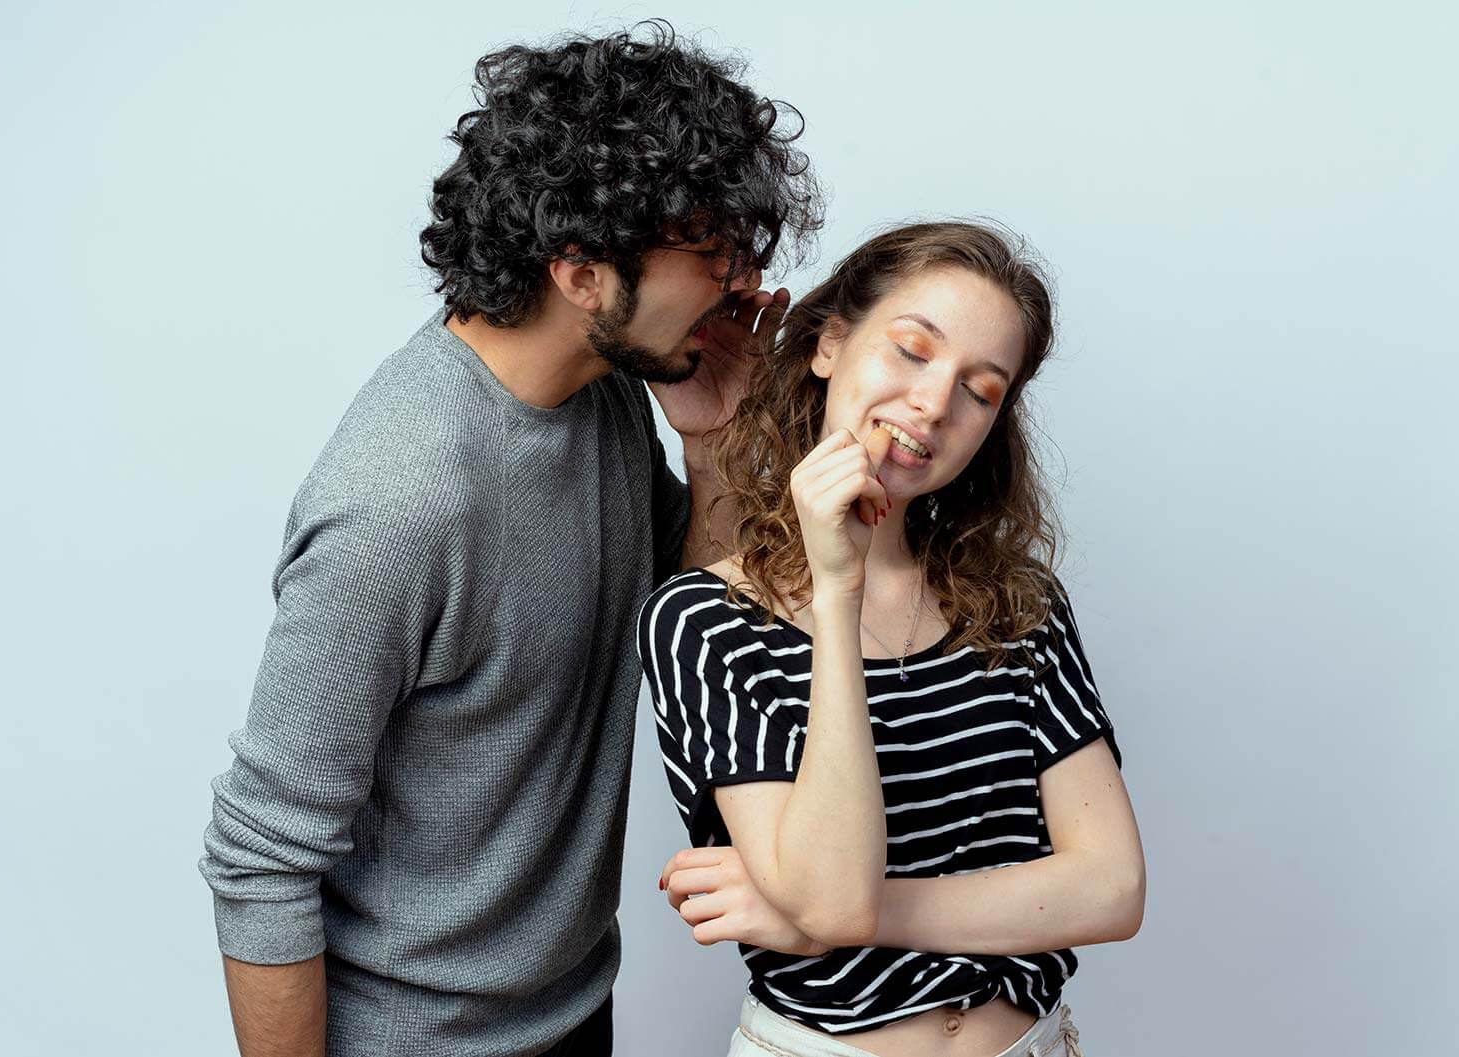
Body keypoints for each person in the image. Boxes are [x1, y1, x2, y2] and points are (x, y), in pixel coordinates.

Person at [198, 22, 820, 1057]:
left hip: (570, 1010)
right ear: (582, 271)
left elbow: (690, 613)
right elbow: (261, 860)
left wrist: (712, 448)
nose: (739, 281)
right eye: (709, 250)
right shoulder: (401, 501)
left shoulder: (605, 392)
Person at [640, 221, 1145, 1057]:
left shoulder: (1019, 604)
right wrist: (837, 592)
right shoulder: (703, 620)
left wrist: (838, 914)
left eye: (980, 390)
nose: (934, 404)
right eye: (911, 350)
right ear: (830, 344)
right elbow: (832, 897)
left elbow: (1112, 886)